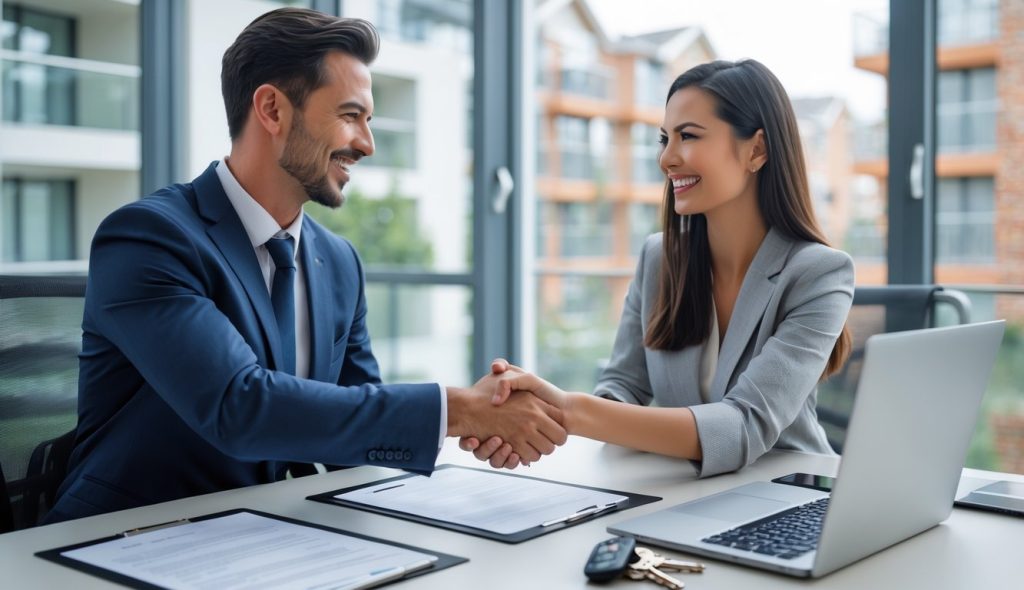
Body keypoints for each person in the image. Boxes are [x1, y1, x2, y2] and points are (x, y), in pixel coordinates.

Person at [44, 8, 564, 523]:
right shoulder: (149, 237)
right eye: (349, 115)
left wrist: (480, 425)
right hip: (123, 537)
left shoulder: (338, 261)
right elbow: (239, 405)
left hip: (265, 536)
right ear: (272, 109)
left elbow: (350, 424)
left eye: (368, 120)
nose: (366, 144)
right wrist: (456, 410)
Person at [464, 59, 853, 477]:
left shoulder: (819, 274)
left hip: (793, 494)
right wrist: (536, 417)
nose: (667, 159)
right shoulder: (659, 259)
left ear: (756, 149)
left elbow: (744, 425)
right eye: (665, 138)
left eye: (687, 135)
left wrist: (569, 409)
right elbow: (623, 387)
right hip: (685, 490)